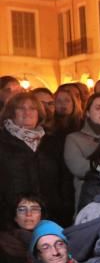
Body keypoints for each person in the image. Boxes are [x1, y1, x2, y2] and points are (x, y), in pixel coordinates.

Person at [0, 92, 74, 228]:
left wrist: (65, 209)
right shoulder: (3, 141)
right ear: (11, 113)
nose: (27, 112)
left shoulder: (52, 142)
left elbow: (65, 180)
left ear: (39, 113)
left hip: (52, 216)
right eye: (21, 108)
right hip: (11, 220)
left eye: (32, 108)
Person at [64, 93, 100, 201]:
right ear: (87, 113)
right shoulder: (74, 139)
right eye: (98, 108)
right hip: (89, 199)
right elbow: (80, 169)